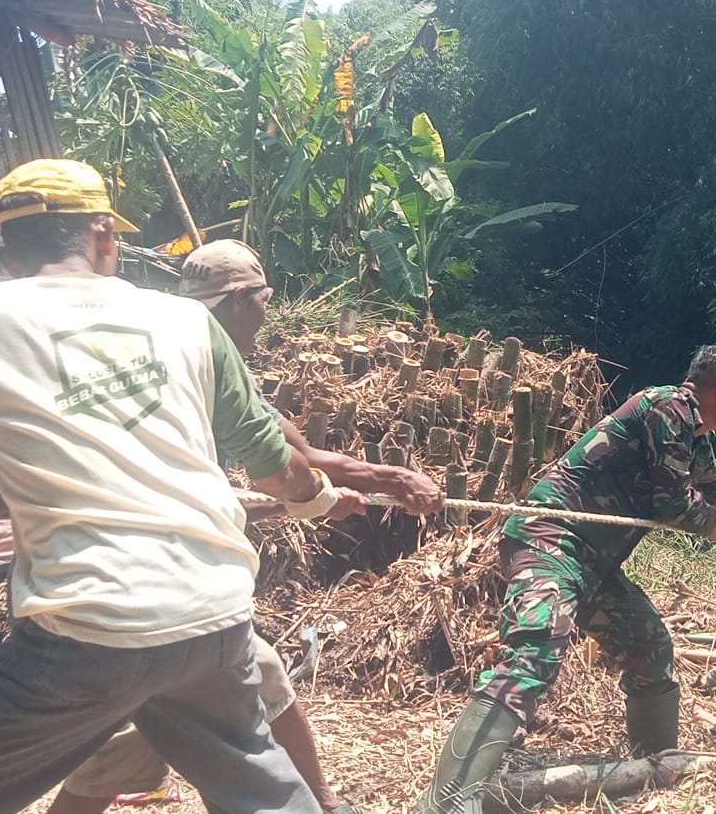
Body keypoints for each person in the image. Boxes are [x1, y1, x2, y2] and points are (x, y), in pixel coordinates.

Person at [0, 159, 352, 814]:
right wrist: (316, 495)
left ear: (9, 253)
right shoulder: (187, 323)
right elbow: (279, 471)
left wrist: (28, 489)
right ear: (102, 236)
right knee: (264, 793)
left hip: (85, 635)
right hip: (213, 620)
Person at [47, 239, 444, 814]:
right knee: (174, 716)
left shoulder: (160, 349)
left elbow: (295, 452)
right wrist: (319, 501)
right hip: (159, 579)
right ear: (238, 301)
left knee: (256, 679)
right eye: (264, 299)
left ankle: (326, 806)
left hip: (139, 575)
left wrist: (389, 478)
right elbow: (283, 471)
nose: (267, 312)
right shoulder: (197, 352)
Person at [416, 346, 716, 814]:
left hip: (592, 560)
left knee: (650, 644)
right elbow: (674, 503)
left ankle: (652, 764)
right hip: (550, 538)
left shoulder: (694, 435)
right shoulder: (668, 407)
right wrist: (713, 524)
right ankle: (447, 800)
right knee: (539, 646)